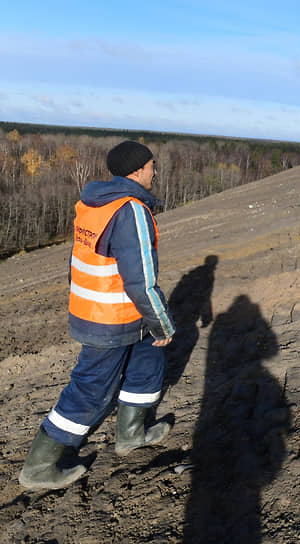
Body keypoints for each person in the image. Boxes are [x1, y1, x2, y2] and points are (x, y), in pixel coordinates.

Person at [18, 141, 176, 490]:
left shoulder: (93, 204)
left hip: (109, 310)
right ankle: (39, 468)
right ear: (136, 170)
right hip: (112, 317)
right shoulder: (130, 209)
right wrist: (162, 321)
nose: (155, 170)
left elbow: (76, 262)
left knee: (147, 361)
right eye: (152, 165)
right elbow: (140, 278)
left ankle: (131, 434)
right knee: (90, 390)